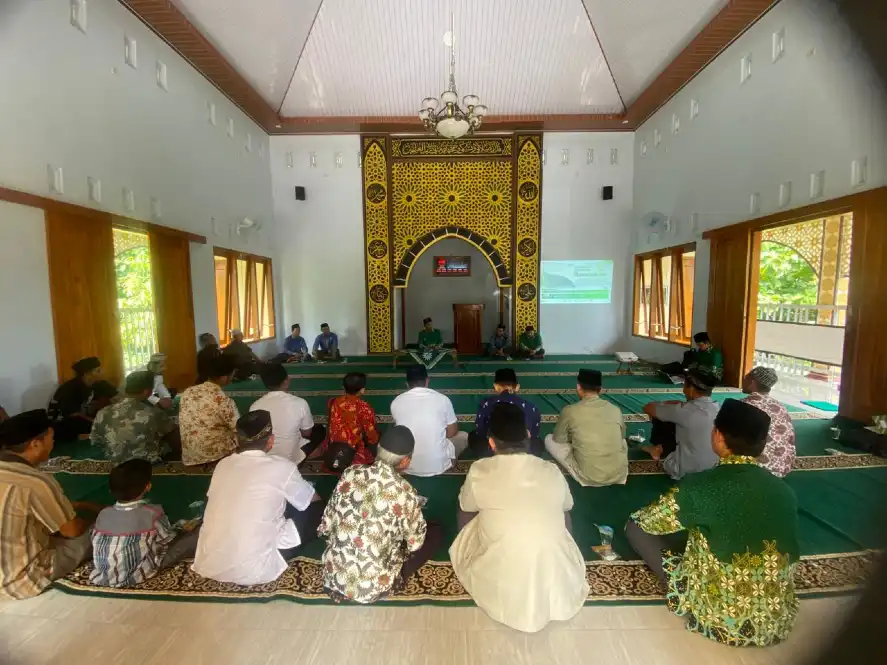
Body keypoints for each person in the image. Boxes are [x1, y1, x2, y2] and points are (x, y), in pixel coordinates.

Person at [625, 399, 800, 647]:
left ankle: (687, 593)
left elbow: (649, 521)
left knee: (635, 527)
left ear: (718, 435)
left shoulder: (702, 487)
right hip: (775, 619)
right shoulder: (784, 491)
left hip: (721, 617)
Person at [450, 403, 588, 633]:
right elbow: (567, 507)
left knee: (465, 508)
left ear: (491, 443)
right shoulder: (550, 469)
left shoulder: (479, 470)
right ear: (527, 435)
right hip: (557, 580)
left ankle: (475, 556)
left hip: (502, 581)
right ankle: (559, 554)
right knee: (560, 513)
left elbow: (467, 506)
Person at [192, 410, 324, 585]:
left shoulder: (223, 464)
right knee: (317, 509)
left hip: (209, 561)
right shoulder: (282, 467)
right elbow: (311, 501)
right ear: (270, 441)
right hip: (255, 568)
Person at [319, 425, 440, 603]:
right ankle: (386, 584)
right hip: (373, 585)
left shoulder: (350, 473)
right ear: (405, 461)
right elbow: (414, 544)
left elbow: (326, 525)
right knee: (436, 531)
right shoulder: (405, 491)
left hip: (335, 576)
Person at [0, 410, 104, 599]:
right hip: (19, 579)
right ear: (36, 444)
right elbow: (71, 531)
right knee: (98, 531)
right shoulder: (36, 481)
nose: (53, 443)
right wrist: (89, 511)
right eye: (51, 438)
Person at [90, 459, 201, 588]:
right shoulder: (152, 513)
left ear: (110, 490)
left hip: (102, 576)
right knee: (196, 534)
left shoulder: (103, 514)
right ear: (148, 486)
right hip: (137, 575)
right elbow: (168, 539)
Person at [544, 369, 628, 486]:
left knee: (549, 439)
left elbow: (559, 439)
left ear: (578, 387)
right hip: (619, 475)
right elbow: (623, 436)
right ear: (601, 389)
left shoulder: (570, 410)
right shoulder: (615, 409)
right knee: (622, 441)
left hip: (589, 477)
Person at [640, 369, 720, 480]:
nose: (683, 390)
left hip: (684, 470)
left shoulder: (684, 411)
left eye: (684, 386)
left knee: (664, 417)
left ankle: (658, 448)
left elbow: (648, 408)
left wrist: (666, 403)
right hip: (713, 467)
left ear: (691, 389)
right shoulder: (719, 408)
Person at [390, 366, 469, 476]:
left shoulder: (396, 402)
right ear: (427, 381)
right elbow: (452, 432)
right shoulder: (443, 399)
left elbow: (400, 431)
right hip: (439, 466)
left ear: (407, 384)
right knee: (463, 436)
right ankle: (448, 461)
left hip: (405, 465)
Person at [90, 371, 179, 464]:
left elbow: (96, 440)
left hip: (114, 458)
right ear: (147, 391)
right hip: (145, 461)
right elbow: (173, 438)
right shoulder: (153, 413)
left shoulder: (103, 412)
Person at [249, 364, 325, 464]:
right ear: (285, 381)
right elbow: (306, 433)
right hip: (292, 458)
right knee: (319, 430)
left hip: (265, 458)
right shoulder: (300, 403)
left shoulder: (254, 406)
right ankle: (314, 453)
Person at [178, 355, 239, 466]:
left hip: (190, 456)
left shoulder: (187, 392)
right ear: (224, 378)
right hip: (215, 457)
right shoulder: (222, 400)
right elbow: (239, 428)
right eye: (232, 374)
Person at [469, 368, 543, 457]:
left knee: (473, 437)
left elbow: (480, 431)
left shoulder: (486, 404)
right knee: (538, 443)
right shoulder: (531, 406)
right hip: (524, 449)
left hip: (496, 449)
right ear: (517, 387)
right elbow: (534, 433)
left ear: (496, 387)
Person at [742, 366, 796, 478]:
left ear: (752, 382)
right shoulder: (780, 407)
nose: (743, 379)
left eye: (746, 377)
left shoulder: (743, 406)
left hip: (757, 470)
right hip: (782, 468)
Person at [322, 372, 380, 470]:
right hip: (354, 451)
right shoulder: (363, 407)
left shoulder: (332, 402)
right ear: (362, 390)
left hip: (334, 446)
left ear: (344, 387)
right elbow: (371, 435)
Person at [47, 356, 102, 442]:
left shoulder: (95, 385)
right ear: (86, 373)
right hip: (63, 422)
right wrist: (95, 422)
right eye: (97, 371)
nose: (100, 373)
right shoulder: (70, 388)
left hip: (80, 419)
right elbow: (73, 414)